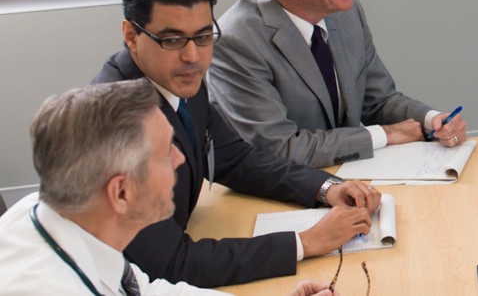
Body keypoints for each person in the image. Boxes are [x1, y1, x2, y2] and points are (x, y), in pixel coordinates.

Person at [92, 0, 379, 287]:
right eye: (171, 39)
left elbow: (236, 159)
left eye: (203, 36)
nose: (193, 56)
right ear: (131, 35)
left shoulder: (176, 75)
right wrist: (305, 242)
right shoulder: (116, 124)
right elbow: (172, 263)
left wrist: (326, 188)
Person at [0, 80, 337, 295]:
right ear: (121, 193)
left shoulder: (62, 217)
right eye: (165, 152)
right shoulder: (43, 286)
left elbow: (152, 291)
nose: (181, 159)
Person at [209, 0, 468, 167]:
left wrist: (431, 120)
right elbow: (279, 148)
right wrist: (386, 135)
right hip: (280, 189)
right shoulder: (235, 41)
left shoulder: (346, 13)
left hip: (348, 174)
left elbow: (377, 100)